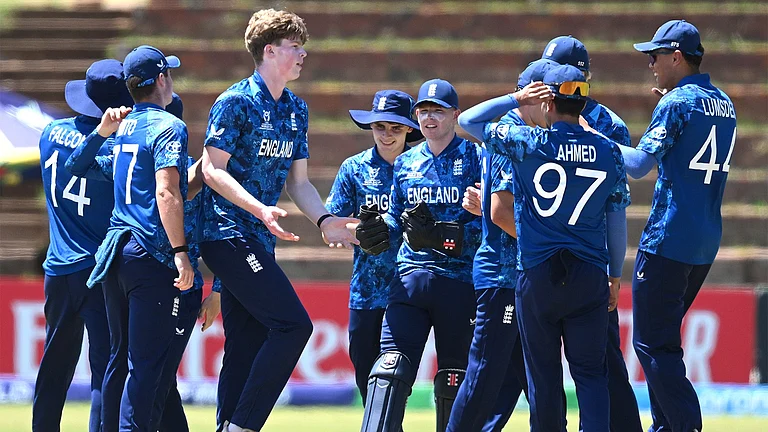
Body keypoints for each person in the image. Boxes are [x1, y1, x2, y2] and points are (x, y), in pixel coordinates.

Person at [197, 9, 358, 432]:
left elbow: (298, 182)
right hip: (226, 233)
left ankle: (227, 425)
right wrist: (258, 209)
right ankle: (242, 427)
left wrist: (325, 221)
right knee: (293, 326)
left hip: (258, 239)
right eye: (294, 46)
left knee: (245, 347)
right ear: (269, 51)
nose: (303, 54)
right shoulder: (235, 101)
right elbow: (212, 169)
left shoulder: (296, 109)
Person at [459, 65, 631, 432]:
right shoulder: (608, 150)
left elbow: (470, 122)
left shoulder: (529, 142)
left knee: (543, 377)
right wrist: (614, 276)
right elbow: (616, 220)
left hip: (537, 275)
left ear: (549, 101)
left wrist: (517, 99)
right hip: (589, 274)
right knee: (591, 375)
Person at [66, 94, 219, 432]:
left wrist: (102, 133)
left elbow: (76, 164)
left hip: (121, 259)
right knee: (152, 373)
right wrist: (216, 289)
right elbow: (215, 230)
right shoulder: (187, 178)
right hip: (171, 275)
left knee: (127, 365)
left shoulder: (128, 161)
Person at [517, 35, 643, 432]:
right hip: (588, 266)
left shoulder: (590, 125)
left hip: (552, 262)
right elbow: (617, 202)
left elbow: (616, 198)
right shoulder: (602, 127)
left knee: (579, 369)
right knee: (592, 370)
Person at [622, 20, 736, 432]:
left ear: (676, 57)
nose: (650, 64)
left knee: (651, 343)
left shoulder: (676, 103)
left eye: (654, 56)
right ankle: (666, 426)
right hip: (704, 241)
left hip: (668, 237)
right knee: (663, 342)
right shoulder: (723, 102)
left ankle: (683, 426)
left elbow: (637, 166)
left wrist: (590, 136)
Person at [355, 79, 482, 432]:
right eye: (423, 111)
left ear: (455, 115)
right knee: (388, 369)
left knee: (454, 379)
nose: (429, 118)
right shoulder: (406, 162)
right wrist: (376, 231)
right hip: (410, 278)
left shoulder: (477, 158)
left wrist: (444, 237)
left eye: (438, 111)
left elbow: (494, 222)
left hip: (459, 282)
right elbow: (398, 216)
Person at [82, 44, 192, 432]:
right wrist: (181, 251)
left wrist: (100, 131)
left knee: (119, 359)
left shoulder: (124, 126)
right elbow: (166, 191)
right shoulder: (169, 126)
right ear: (162, 79)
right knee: (146, 364)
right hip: (149, 252)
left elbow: (81, 165)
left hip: (115, 252)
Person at [447, 59, 557, 432]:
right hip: (504, 274)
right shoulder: (511, 133)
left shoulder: (536, 134)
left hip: (522, 275)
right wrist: (550, 246)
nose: (553, 108)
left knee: (530, 376)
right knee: (485, 373)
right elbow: (501, 213)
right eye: (548, 98)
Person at [33, 58, 133, 432]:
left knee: (54, 364)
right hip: (98, 272)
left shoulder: (50, 132)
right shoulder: (116, 151)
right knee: (105, 369)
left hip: (58, 269)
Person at [325, 89, 422, 404]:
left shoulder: (425, 168)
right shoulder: (354, 169)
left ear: (410, 128)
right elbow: (332, 228)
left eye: (396, 128)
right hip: (367, 291)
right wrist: (364, 232)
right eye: (380, 126)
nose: (387, 135)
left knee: (400, 381)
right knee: (369, 383)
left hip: (415, 289)